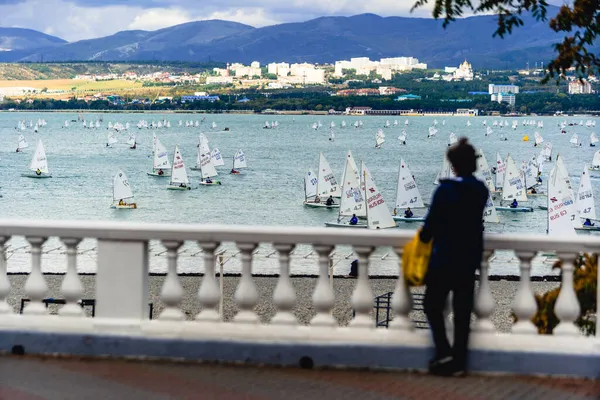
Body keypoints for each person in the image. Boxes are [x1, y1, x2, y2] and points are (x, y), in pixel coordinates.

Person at [420, 137, 488, 377]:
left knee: (432, 306)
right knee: (462, 312)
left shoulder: (444, 190)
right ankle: (458, 360)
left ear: (453, 165)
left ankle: (443, 352)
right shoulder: (481, 190)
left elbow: (428, 229)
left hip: (443, 260)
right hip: (468, 261)